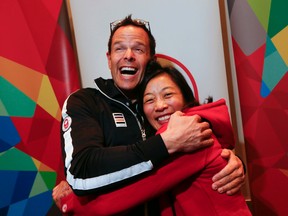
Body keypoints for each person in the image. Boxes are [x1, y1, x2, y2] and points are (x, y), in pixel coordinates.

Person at [53, 15, 246, 215]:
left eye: (138, 49)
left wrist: (233, 161)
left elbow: (183, 165)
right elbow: (82, 170)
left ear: (151, 60)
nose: (128, 55)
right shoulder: (86, 101)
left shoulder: (183, 124)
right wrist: (166, 143)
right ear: (109, 58)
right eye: (119, 48)